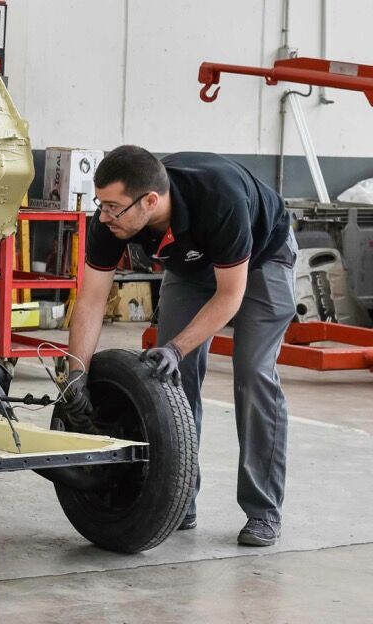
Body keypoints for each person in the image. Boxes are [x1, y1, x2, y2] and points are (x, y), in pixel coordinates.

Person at [65, 145, 296, 547]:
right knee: (170, 379)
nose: (103, 216)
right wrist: (76, 374)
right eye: (101, 204)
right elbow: (91, 299)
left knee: (253, 373)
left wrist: (177, 346)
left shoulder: (220, 199)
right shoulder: (112, 219)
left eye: (113, 207)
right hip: (190, 267)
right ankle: (179, 499)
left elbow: (230, 295)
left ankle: (262, 510)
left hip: (262, 258)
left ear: (150, 201)